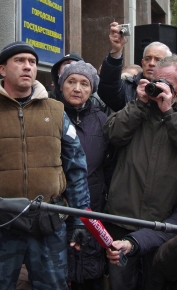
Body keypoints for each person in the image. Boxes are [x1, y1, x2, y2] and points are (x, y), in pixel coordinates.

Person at [0, 41, 90, 290]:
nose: (28, 66)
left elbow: (76, 169)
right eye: (20, 61)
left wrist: (80, 220)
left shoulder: (57, 111)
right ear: (3, 69)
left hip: (48, 225)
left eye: (32, 62)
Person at [103, 55, 177, 290]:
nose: (159, 87)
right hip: (123, 216)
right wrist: (139, 104)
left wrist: (170, 113)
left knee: (155, 282)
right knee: (120, 282)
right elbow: (113, 134)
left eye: (168, 83)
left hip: (162, 221)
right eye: (156, 80)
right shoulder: (137, 108)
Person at [54, 60, 116, 289]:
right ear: (61, 86)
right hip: (57, 204)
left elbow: (109, 165)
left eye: (84, 84)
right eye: (71, 82)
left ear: (92, 90)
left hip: (93, 204)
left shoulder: (103, 120)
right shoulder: (51, 114)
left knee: (90, 265)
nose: (77, 88)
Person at [98, 22, 172, 112]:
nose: (152, 63)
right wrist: (116, 51)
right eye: (148, 59)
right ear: (142, 62)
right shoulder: (128, 88)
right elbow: (108, 89)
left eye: (158, 60)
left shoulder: (175, 90)